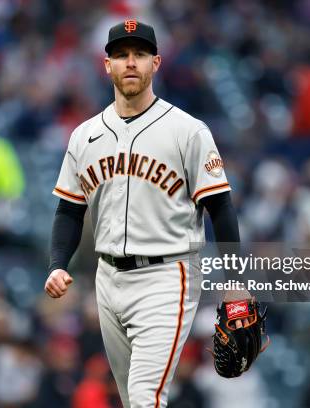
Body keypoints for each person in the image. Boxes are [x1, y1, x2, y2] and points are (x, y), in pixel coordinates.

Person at [44, 19, 249, 408]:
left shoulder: (187, 131)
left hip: (168, 275)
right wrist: (58, 262)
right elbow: (69, 210)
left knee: (144, 398)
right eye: (121, 55)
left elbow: (219, 207)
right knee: (132, 399)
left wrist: (234, 281)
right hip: (107, 279)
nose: (131, 62)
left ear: (156, 62)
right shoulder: (85, 134)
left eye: (139, 54)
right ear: (107, 66)